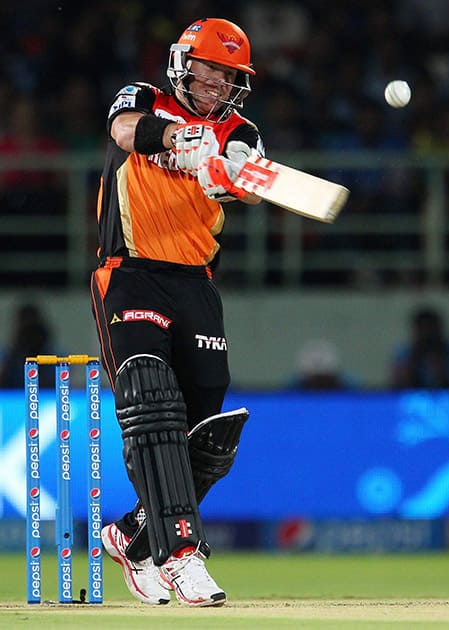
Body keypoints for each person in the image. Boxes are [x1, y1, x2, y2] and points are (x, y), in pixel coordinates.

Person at [90, 18, 264, 607]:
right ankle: (181, 554)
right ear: (183, 63)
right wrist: (174, 138)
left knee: (206, 433)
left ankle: (134, 536)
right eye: (209, 69)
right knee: (150, 399)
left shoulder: (241, 129)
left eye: (229, 76)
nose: (216, 84)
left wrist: (232, 168)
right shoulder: (145, 98)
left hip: (196, 283)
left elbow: (246, 177)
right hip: (131, 271)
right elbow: (123, 130)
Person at [390, 306, 449, 389]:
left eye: (431, 329)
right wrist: (414, 361)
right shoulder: (404, 353)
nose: (427, 334)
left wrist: (443, 370)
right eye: (423, 329)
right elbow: (396, 387)